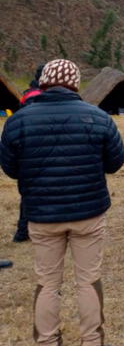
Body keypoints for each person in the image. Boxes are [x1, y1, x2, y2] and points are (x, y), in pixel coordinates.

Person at [0, 59, 124, 346]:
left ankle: (47, 340)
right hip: (89, 212)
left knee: (47, 282)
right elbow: (116, 162)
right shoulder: (97, 117)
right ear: (75, 83)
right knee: (88, 280)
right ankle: (92, 340)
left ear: (43, 82)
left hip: (42, 215)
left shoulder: (18, 120)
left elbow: (9, 167)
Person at [12, 64, 45, 243]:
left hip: (28, 150)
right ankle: (23, 231)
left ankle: (23, 231)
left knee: (29, 194)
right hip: (35, 149)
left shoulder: (28, 94)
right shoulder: (36, 97)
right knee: (31, 194)